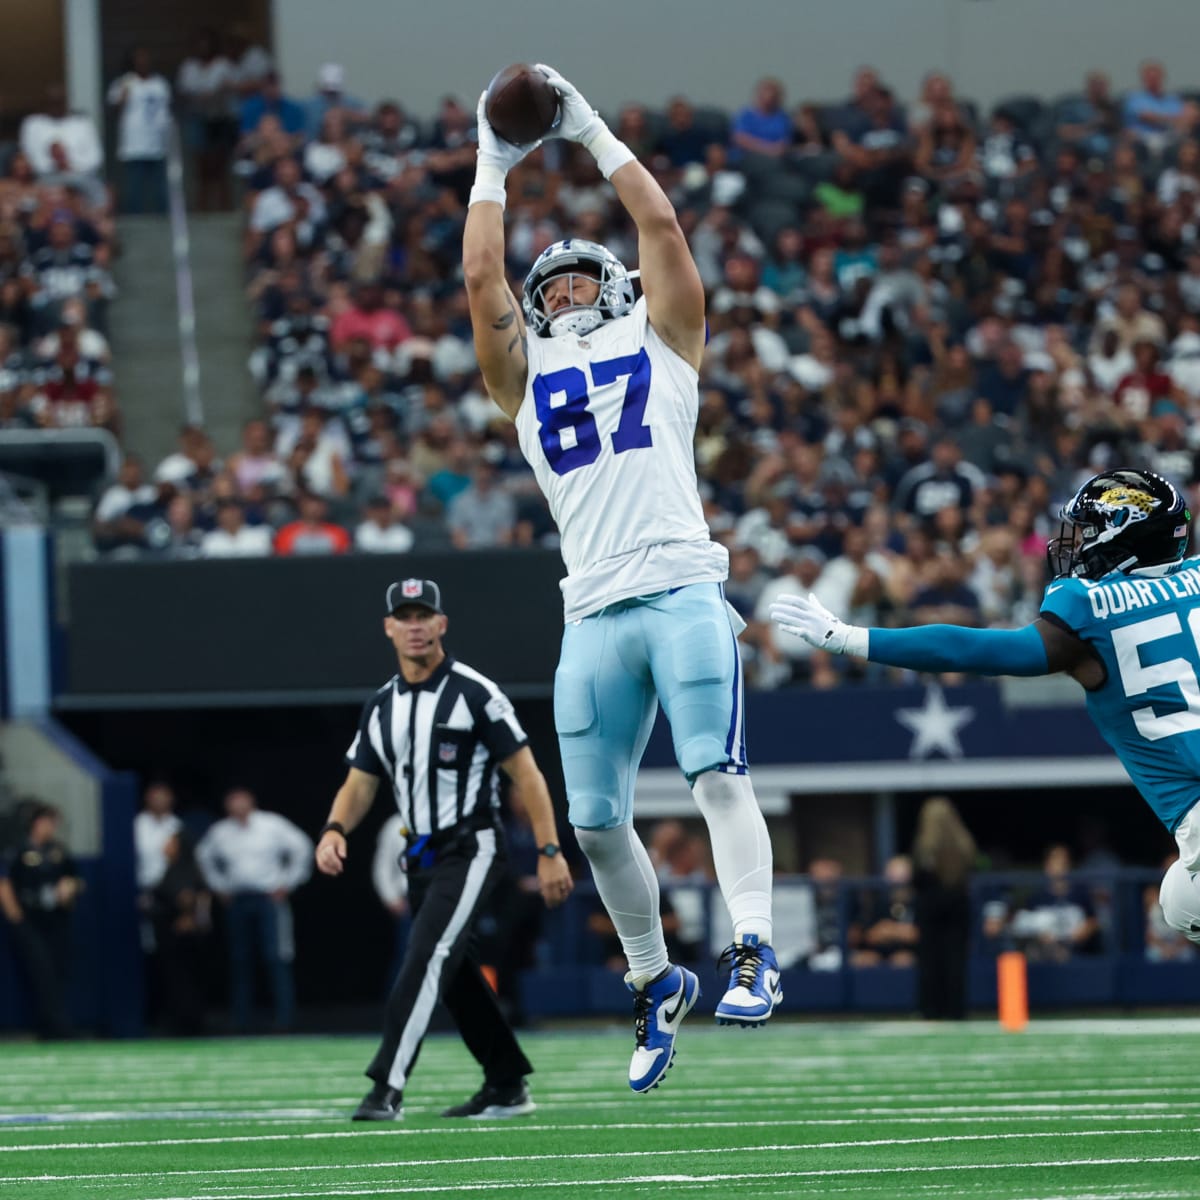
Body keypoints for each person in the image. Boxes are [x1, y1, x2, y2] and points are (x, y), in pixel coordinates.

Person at [463, 63, 779, 1095]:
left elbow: (665, 229)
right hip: (592, 608)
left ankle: (754, 950)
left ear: (619, 288)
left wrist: (586, 128)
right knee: (592, 819)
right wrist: (492, 160)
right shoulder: (525, 376)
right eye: (547, 288)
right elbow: (479, 285)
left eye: (580, 280)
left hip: (684, 586)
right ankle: (655, 981)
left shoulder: (666, 336)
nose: (562, 294)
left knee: (713, 774)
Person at [770, 467, 1200, 955]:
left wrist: (848, 637)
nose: (1077, 545)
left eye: (1090, 531)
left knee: (1181, 903)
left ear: (1126, 533)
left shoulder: (1090, 607)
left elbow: (971, 649)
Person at [314, 578, 573, 1121]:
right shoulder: (382, 704)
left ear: (442, 624)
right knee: (451, 969)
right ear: (388, 627)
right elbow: (361, 781)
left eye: (423, 615)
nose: (415, 626)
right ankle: (506, 1082)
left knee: (426, 955)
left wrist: (549, 849)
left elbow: (527, 774)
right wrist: (335, 828)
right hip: (422, 850)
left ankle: (386, 1084)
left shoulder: (476, 692)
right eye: (404, 617)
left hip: (472, 842)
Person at [195, 787, 312, 1032]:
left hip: (268, 899)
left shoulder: (271, 824)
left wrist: (288, 883)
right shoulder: (221, 831)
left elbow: (302, 848)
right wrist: (219, 887)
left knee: (275, 957)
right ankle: (241, 1019)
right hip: (237, 900)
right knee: (239, 960)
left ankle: (284, 1018)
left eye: (241, 801)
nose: (237, 806)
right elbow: (202, 857)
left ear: (251, 801)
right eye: (232, 802)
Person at [0, 804, 83, 1038]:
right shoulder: (18, 851)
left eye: (53, 822)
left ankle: (52, 1026)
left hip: (55, 920)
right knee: (41, 971)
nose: (51, 827)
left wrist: (69, 887)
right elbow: (4, 882)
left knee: (57, 972)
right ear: (35, 823)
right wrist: (16, 918)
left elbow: (77, 880)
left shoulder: (58, 851)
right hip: (30, 920)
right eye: (47, 821)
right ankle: (54, 1026)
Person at [911, 796, 976, 1019]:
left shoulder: (925, 846)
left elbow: (918, 879)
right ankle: (955, 1009)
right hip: (958, 905)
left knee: (931, 960)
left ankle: (931, 1010)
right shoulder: (964, 843)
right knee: (955, 960)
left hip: (931, 906)